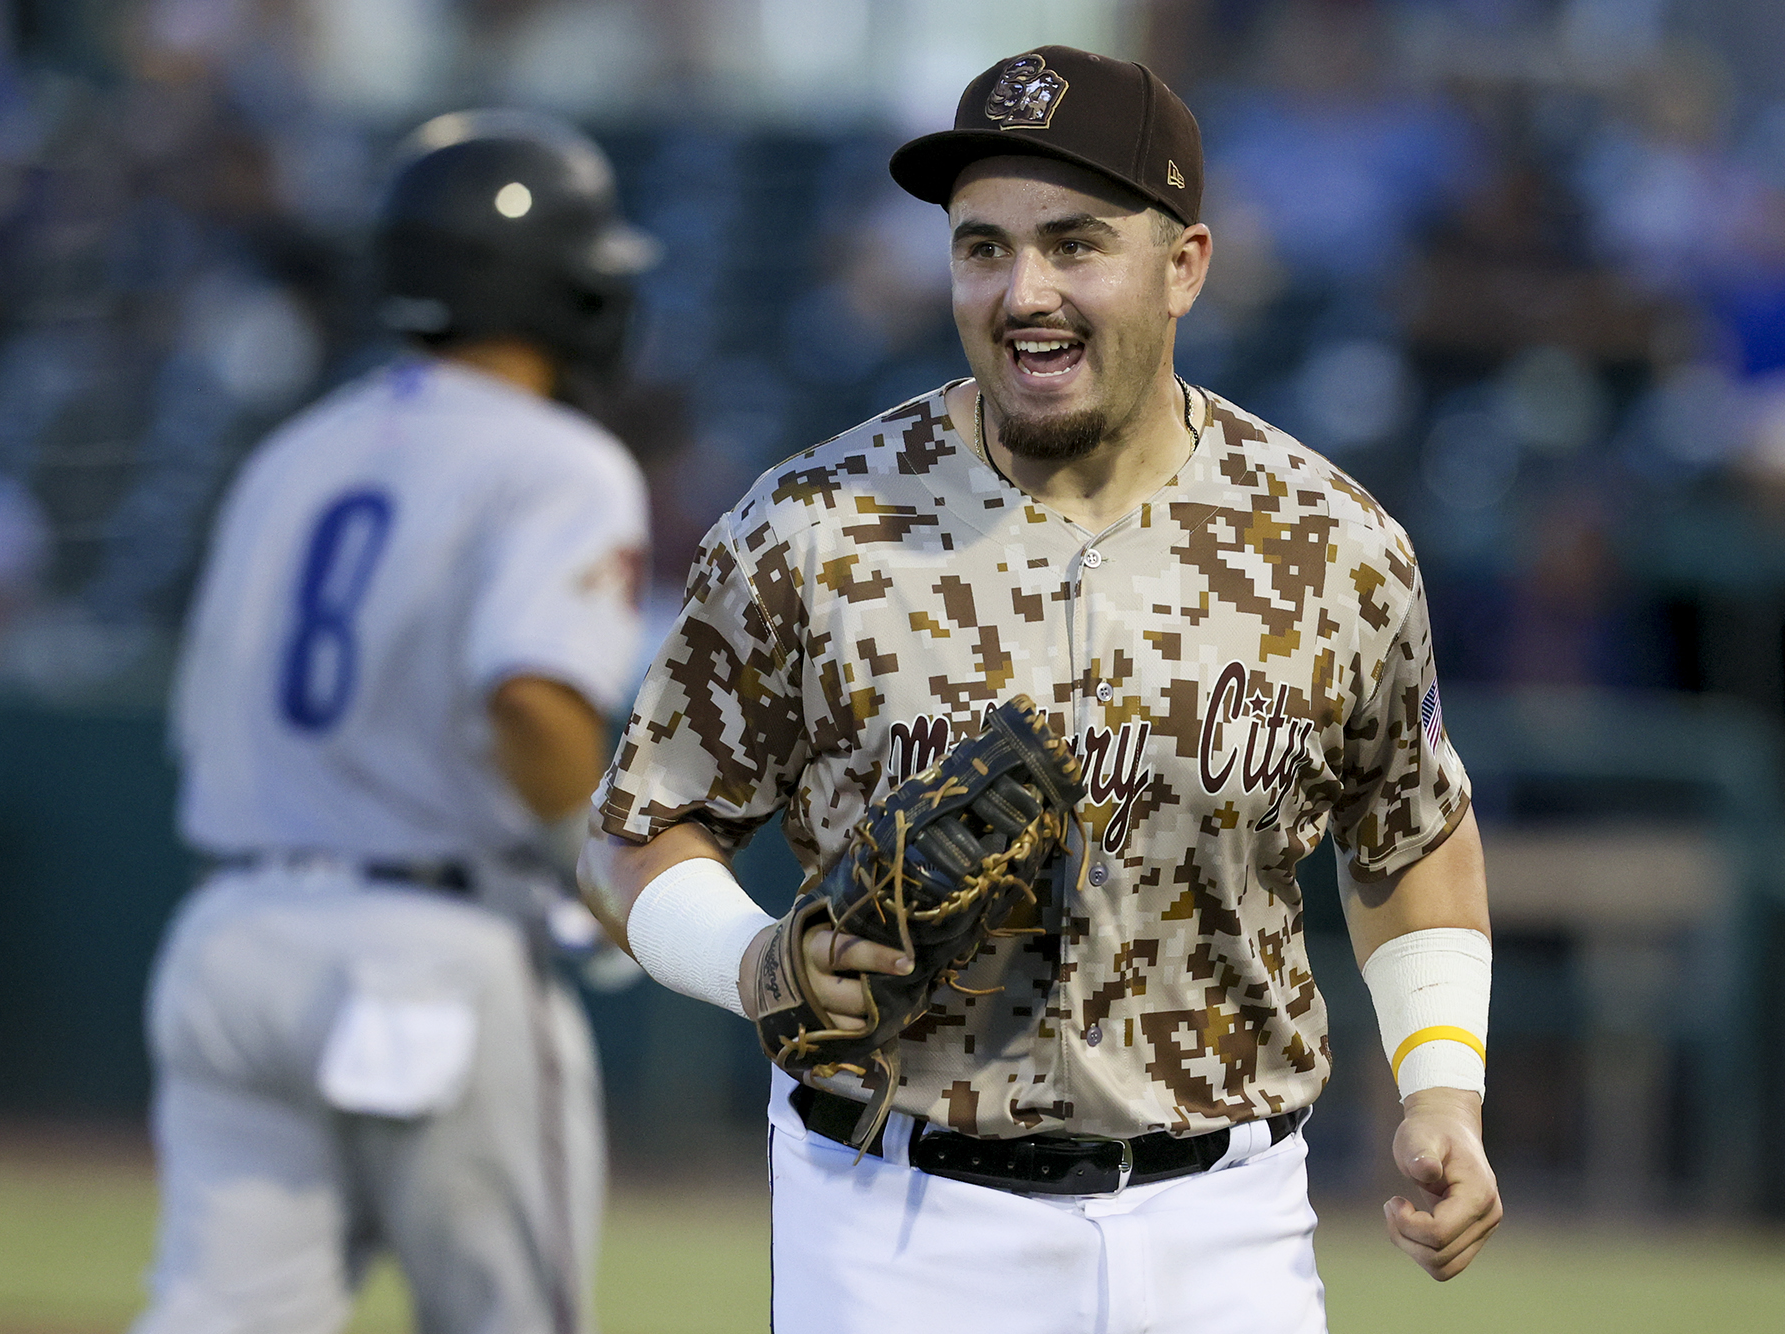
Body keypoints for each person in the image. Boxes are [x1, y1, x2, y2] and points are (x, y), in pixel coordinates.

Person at [580, 47, 1500, 1334]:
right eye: (981, 249)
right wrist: (749, 958)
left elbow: (1409, 830)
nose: (1024, 292)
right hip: (892, 1215)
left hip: (1221, 1225)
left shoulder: (1328, 542)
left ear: (1183, 265)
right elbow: (632, 832)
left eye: (1075, 244)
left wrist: (1440, 1088)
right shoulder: (811, 526)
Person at [135, 110, 655, 1334]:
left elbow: (201, 709)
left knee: (220, 1315)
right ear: (560, 287)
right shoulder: (559, 462)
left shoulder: (291, 455)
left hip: (231, 930)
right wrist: (602, 862)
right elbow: (528, 690)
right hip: (428, 946)